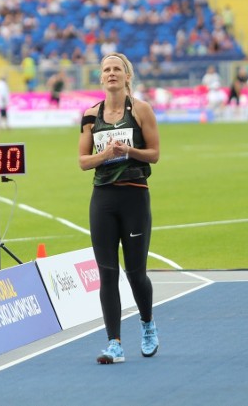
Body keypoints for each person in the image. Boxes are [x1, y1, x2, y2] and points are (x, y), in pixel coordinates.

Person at [78, 53, 160, 365]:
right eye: (106, 70)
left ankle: (148, 325)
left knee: (136, 273)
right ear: (101, 77)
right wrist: (105, 155)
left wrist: (129, 151)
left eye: (117, 69)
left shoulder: (141, 110)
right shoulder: (89, 115)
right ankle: (114, 343)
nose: (111, 74)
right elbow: (83, 161)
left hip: (135, 197)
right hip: (103, 199)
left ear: (127, 76)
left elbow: (154, 154)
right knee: (107, 273)